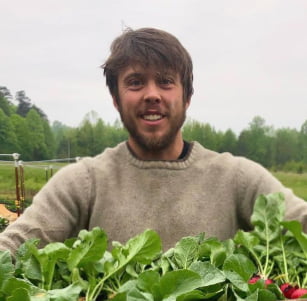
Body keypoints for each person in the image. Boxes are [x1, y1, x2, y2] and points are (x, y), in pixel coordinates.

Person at [0, 27, 306, 255]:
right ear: (116, 99)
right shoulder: (84, 182)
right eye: (135, 82)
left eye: (165, 81)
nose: (151, 94)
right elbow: (14, 247)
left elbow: (300, 224)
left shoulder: (237, 178)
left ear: (187, 97)